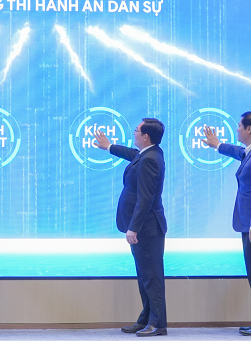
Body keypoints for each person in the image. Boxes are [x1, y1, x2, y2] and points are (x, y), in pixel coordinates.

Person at [203, 111, 251, 336]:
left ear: (249, 129)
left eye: (239, 126)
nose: (236, 129)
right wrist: (218, 145)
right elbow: (239, 152)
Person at [95, 118, 168, 337]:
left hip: (147, 228)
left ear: (146, 136)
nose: (134, 133)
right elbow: (132, 154)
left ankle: (158, 323)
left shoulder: (150, 160)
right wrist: (109, 146)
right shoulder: (148, 154)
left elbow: (146, 198)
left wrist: (134, 227)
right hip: (144, 227)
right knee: (145, 276)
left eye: (136, 130)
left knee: (152, 277)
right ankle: (146, 319)